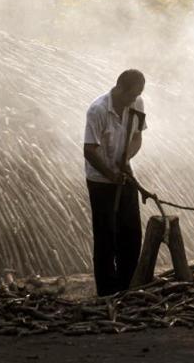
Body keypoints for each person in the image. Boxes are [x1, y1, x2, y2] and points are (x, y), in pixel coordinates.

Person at [83, 69, 148, 296]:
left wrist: (126, 158)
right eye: (132, 94)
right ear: (120, 88)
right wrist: (111, 174)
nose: (135, 98)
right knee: (106, 237)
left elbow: (138, 137)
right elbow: (90, 150)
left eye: (138, 94)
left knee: (131, 234)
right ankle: (107, 293)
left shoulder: (137, 103)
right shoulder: (98, 110)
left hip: (124, 175)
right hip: (101, 181)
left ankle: (128, 286)